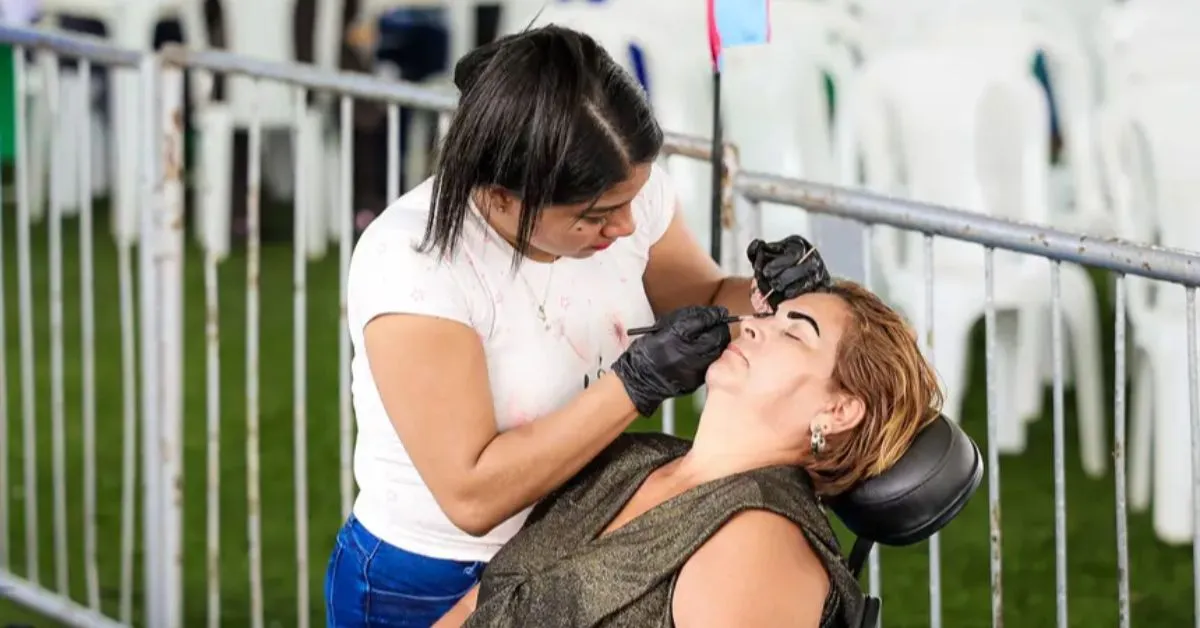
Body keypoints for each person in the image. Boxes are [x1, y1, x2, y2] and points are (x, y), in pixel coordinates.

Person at [324, 24, 831, 627]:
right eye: (594, 217)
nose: (623, 228)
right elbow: (473, 493)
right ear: (504, 196)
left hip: (571, 541)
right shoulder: (415, 264)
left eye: (632, 201)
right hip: (434, 573)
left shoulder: (628, 197)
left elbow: (697, 299)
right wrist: (633, 385)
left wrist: (766, 294)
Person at [432, 280, 944, 628]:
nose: (753, 326)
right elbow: (480, 606)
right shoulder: (631, 459)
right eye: (769, 315)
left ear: (838, 410)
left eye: (794, 332)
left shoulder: (758, 543)